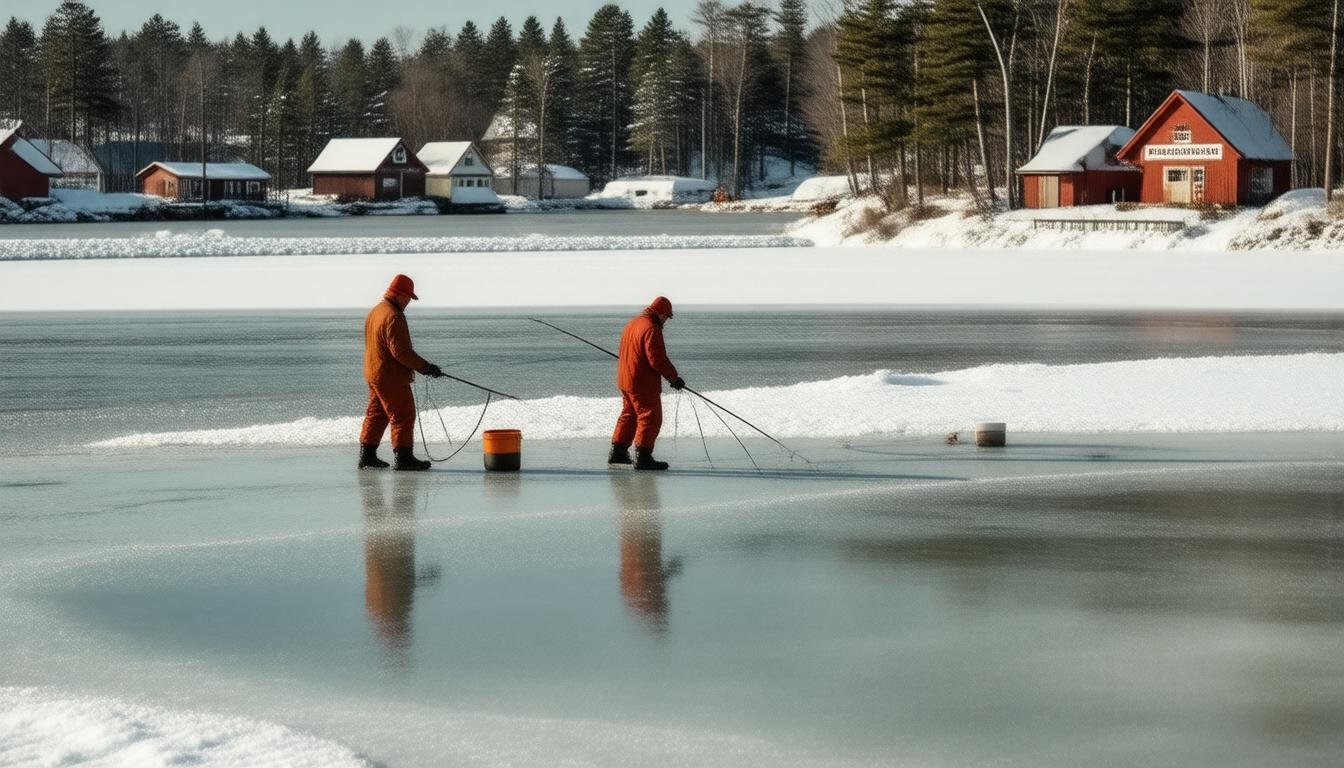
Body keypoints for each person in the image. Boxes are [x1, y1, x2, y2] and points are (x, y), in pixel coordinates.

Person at [358, 274, 445, 471]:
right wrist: (426, 368)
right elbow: (401, 352)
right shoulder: (394, 316)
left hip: (374, 373)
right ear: (398, 294)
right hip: (391, 377)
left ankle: (367, 457)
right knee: (403, 415)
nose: (409, 302)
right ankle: (404, 459)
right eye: (408, 297)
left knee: (377, 415)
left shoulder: (376, 311)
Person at [609, 296, 684, 471]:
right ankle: (643, 458)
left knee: (629, 414)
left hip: (625, 378)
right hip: (642, 382)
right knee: (650, 417)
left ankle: (618, 453)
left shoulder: (632, 324)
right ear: (659, 313)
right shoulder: (651, 328)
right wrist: (674, 378)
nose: (667, 320)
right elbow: (657, 359)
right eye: (667, 316)